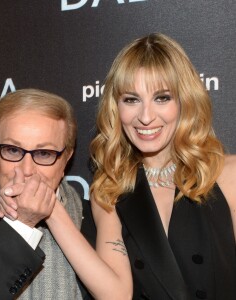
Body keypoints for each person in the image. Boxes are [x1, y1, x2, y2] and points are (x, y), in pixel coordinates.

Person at [88, 33, 236, 299]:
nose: (145, 117)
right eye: (131, 99)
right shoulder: (109, 190)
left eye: (162, 98)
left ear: (185, 101)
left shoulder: (228, 174)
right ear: (116, 107)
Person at [0, 89, 98, 299]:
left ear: (67, 157)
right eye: (13, 150)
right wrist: (22, 225)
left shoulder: (98, 220)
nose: (27, 169)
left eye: (43, 153)